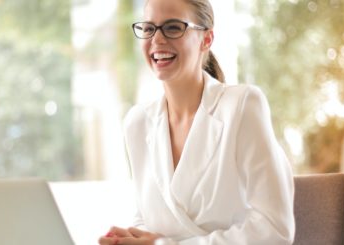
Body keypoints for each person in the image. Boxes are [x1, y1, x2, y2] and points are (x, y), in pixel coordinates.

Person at [98, 0, 295, 244]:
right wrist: (132, 237)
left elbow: (274, 230)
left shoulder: (242, 106)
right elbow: (147, 216)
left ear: (207, 39)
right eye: (149, 29)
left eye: (172, 27)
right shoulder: (137, 123)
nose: (157, 40)